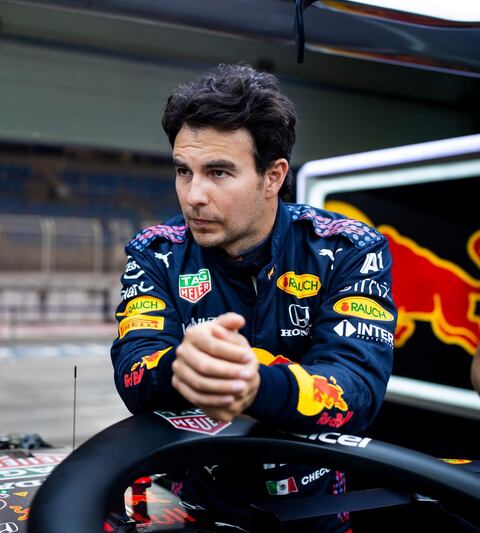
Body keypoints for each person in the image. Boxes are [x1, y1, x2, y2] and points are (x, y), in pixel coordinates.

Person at [110, 64, 396, 532]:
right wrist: (181, 365)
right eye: (184, 171)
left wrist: (254, 382)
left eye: (218, 172)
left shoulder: (347, 248)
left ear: (273, 176)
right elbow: (133, 370)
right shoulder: (155, 252)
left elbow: (356, 389)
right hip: (195, 506)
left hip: (314, 512)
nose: (193, 195)